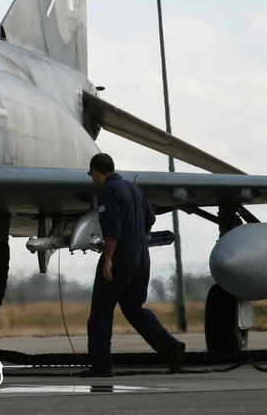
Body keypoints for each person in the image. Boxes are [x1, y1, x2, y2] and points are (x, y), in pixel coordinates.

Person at [81, 152, 186, 377]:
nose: (93, 179)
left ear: (96, 171)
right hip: (142, 256)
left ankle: (101, 366)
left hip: (121, 256)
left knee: (100, 312)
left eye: (92, 175)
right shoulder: (134, 188)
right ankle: (171, 348)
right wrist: (136, 234)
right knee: (133, 308)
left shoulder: (108, 190)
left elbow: (112, 230)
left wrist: (108, 259)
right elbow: (151, 218)